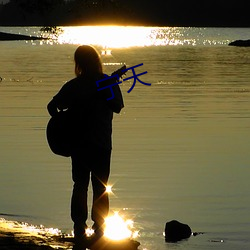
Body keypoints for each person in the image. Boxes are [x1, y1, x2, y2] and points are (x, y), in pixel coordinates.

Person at [47, 45, 124, 244]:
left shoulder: (75, 85)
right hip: (100, 144)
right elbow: (117, 107)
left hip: (80, 144)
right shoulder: (104, 83)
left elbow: (51, 106)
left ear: (79, 63)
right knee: (100, 187)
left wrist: (63, 121)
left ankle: (80, 228)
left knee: (80, 185)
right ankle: (98, 230)